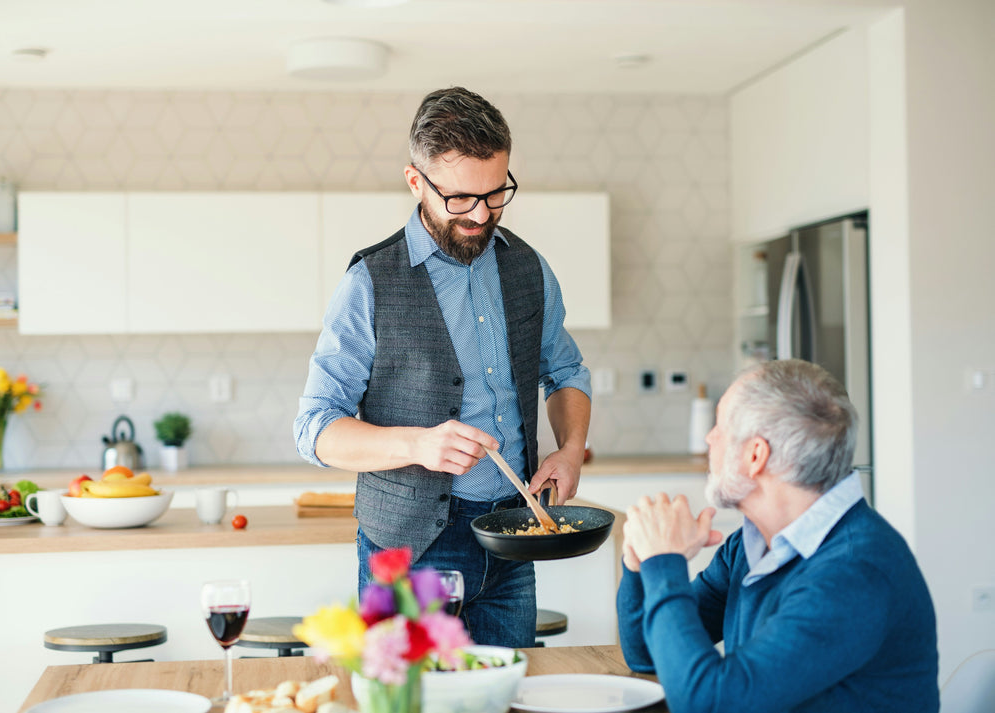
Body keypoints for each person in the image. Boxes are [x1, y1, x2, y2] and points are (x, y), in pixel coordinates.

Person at [294, 86, 592, 647]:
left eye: (496, 193)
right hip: (408, 553)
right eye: (459, 198)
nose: (481, 214)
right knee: (410, 702)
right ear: (416, 182)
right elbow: (314, 429)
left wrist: (570, 447)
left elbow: (567, 371)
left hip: (512, 535)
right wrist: (416, 446)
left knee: (509, 697)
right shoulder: (368, 284)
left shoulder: (529, 268)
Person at [617, 359, 938, 713]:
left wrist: (665, 563)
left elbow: (710, 704)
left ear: (756, 455)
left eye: (720, 427)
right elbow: (647, 654)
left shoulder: (854, 571)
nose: (709, 438)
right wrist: (640, 563)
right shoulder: (750, 546)